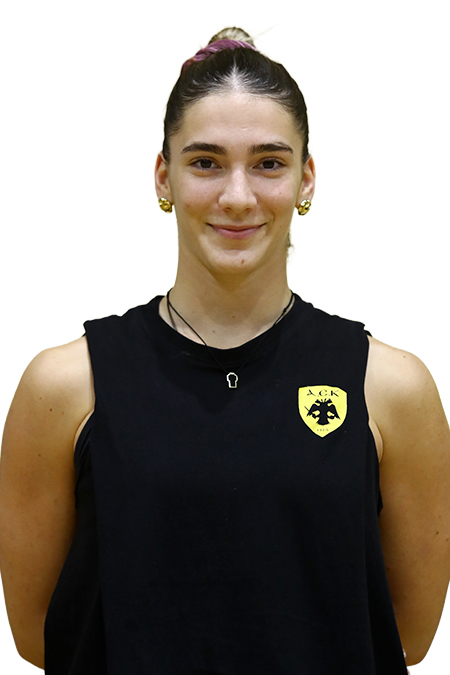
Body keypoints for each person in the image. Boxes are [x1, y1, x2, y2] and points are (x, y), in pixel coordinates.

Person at [1, 26, 450, 674]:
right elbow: (40, 631)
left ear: (306, 179)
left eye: (268, 163)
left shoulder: (390, 388)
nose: (237, 197)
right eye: (206, 162)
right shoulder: (66, 386)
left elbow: (402, 632)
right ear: (164, 177)